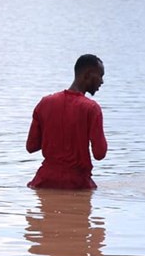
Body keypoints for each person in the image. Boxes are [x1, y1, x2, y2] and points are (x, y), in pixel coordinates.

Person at [26, 54, 107, 189]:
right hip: (77, 185)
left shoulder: (45, 103)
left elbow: (31, 146)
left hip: (44, 182)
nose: (102, 81)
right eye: (100, 75)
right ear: (88, 75)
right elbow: (100, 153)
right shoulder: (92, 109)